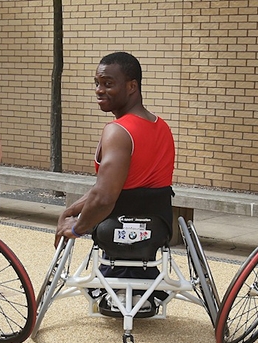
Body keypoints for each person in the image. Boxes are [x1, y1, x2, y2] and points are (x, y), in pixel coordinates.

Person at [55, 51, 175, 317]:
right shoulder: (162, 127)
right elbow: (127, 187)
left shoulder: (118, 131)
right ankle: (142, 285)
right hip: (159, 229)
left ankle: (117, 282)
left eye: (108, 83)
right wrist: (72, 208)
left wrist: (76, 227)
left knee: (99, 217)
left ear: (132, 86)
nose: (99, 90)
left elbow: (105, 197)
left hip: (115, 230)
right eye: (97, 83)